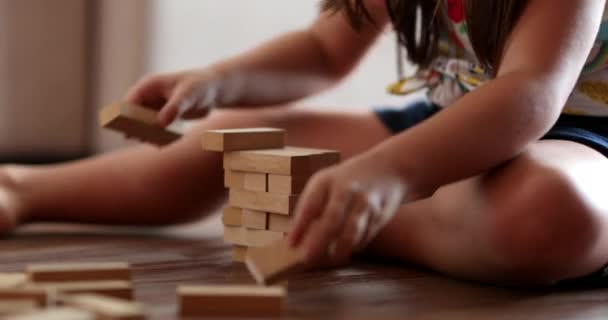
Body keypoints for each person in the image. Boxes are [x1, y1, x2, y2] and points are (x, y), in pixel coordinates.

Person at [2, 0, 608, 286]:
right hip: (442, 127)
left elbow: (530, 91)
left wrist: (388, 175)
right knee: (236, 140)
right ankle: (24, 188)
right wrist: (218, 81)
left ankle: (329, 211)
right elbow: (324, 50)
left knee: (548, 214)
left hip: (583, 145)